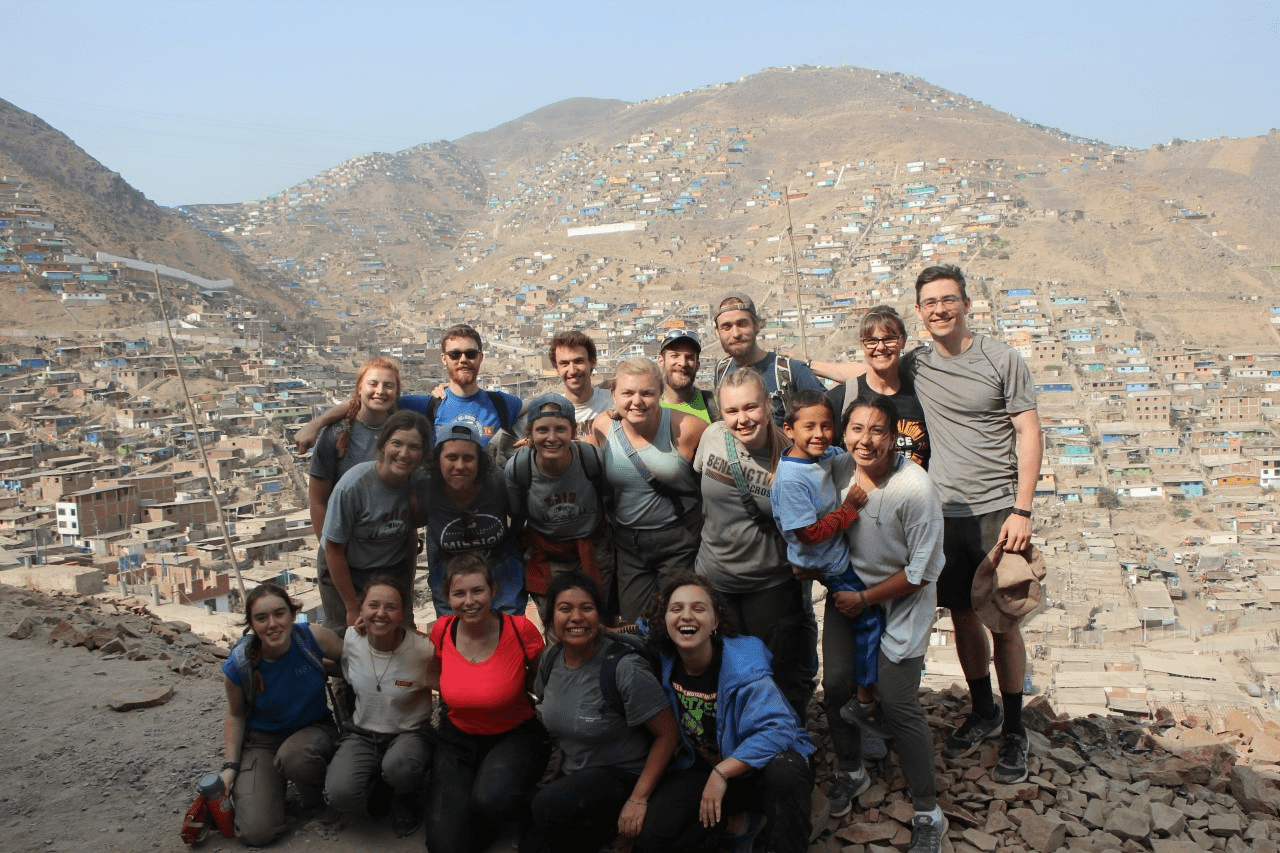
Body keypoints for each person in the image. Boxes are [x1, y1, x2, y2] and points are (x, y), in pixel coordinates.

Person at [809, 266, 1042, 783]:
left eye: (948, 299)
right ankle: (982, 710)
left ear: (964, 303)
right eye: (930, 302)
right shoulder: (919, 362)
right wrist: (807, 364)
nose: (940, 309)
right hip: (942, 512)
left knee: (1002, 620)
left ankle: (1015, 730)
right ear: (919, 311)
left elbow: (1029, 430)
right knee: (961, 615)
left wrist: (1022, 509)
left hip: (995, 508)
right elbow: (870, 365)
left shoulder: (1002, 359)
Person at [823, 395, 948, 853]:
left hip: (899, 603)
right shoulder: (836, 471)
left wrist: (866, 599)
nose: (865, 439)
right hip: (849, 594)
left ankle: (927, 809)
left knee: (898, 703)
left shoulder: (914, 489)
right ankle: (851, 770)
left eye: (877, 430)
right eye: (856, 428)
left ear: (895, 436)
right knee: (836, 686)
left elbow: (920, 572)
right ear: (843, 432)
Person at [638, 574, 815, 853]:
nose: (686, 616)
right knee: (652, 840)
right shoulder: (664, 657)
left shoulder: (744, 667)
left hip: (755, 772)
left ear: (715, 622)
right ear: (664, 621)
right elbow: (635, 629)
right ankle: (741, 825)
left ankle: (783, 837)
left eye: (698, 608)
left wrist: (722, 773)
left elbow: (780, 728)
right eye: (676, 609)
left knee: (786, 771)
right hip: (700, 770)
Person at [522, 571, 679, 853]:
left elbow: (668, 735)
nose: (576, 618)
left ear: (601, 617)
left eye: (587, 608)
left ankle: (617, 835)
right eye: (565, 609)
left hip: (624, 776)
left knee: (548, 807)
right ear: (550, 619)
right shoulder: (552, 658)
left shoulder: (624, 668)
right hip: (575, 775)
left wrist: (638, 799)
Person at [691, 368, 810, 718]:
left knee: (774, 671)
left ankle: (783, 744)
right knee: (723, 670)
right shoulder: (712, 436)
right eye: (732, 411)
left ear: (768, 404)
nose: (742, 419)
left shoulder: (791, 457)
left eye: (750, 408)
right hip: (715, 580)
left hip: (768, 584)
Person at [770, 391, 886, 746]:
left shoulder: (821, 456)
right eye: (809, 427)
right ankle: (865, 701)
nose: (820, 433)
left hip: (832, 557)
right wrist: (849, 508)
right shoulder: (791, 479)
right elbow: (809, 535)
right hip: (828, 564)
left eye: (826, 425)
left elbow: (840, 454)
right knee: (870, 621)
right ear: (789, 429)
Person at [424, 554, 551, 853]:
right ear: (447, 598)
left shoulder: (520, 630)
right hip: (457, 738)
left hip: (515, 733)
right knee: (444, 845)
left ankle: (528, 806)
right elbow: (429, 670)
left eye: (477, 590)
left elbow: (542, 677)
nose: (469, 601)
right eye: (459, 593)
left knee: (491, 800)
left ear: (493, 590)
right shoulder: (442, 631)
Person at [219, 584, 343, 847]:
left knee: (294, 756)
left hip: (314, 730)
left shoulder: (312, 639)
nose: (272, 624)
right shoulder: (239, 666)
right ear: (251, 624)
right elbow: (236, 715)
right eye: (261, 618)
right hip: (262, 742)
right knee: (256, 833)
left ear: (292, 614)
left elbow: (354, 659)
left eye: (279, 614)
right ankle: (268, 794)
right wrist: (230, 768)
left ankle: (314, 804)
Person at [588, 357, 708, 623]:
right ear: (613, 395)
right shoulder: (603, 426)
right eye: (628, 393)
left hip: (680, 540)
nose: (637, 401)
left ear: (661, 393)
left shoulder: (687, 428)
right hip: (630, 545)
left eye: (647, 393)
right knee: (636, 625)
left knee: (679, 619)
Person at [292, 324, 521, 456]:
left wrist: (530, 439)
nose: (463, 359)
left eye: (470, 353)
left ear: (480, 357)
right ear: (444, 359)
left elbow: (544, 408)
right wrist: (315, 425)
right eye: (455, 354)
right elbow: (366, 402)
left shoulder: (502, 403)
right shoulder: (425, 405)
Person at [324, 576, 434, 837]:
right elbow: (312, 641)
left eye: (391, 607)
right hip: (363, 734)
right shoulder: (351, 640)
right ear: (361, 610)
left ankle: (406, 795)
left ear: (404, 612)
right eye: (373, 605)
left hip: (409, 734)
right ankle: (379, 782)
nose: (381, 614)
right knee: (339, 794)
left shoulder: (423, 650)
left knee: (401, 766)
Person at [309, 357, 403, 630]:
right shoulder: (335, 433)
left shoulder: (402, 433)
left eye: (389, 386)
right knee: (346, 632)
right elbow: (317, 500)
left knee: (388, 632)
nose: (380, 391)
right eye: (372, 383)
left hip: (385, 555)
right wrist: (331, 550)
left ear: (397, 392)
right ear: (359, 388)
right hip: (341, 555)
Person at [504, 392, 614, 617]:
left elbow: (610, 499)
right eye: (542, 430)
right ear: (530, 435)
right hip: (547, 552)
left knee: (597, 619)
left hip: (593, 548)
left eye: (560, 429)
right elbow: (515, 516)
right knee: (557, 623)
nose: (551, 438)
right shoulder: (519, 469)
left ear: (573, 432)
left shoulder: (591, 458)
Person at [322, 411, 431, 627]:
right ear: (383, 445)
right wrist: (352, 607)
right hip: (347, 569)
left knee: (400, 634)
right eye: (396, 443)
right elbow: (333, 550)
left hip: (392, 570)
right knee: (349, 637)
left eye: (414, 447)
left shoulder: (420, 483)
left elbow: (411, 536)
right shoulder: (354, 486)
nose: (404, 453)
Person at [426, 417, 526, 616]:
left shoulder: (498, 482)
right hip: (448, 565)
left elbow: (518, 515)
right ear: (438, 459)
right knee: (453, 632)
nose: (460, 466)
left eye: (468, 458)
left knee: (508, 629)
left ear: (480, 461)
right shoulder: (426, 486)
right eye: (451, 458)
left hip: (499, 562)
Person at [822, 305, 930, 466]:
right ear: (862, 344)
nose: (880, 347)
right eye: (871, 341)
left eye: (889, 339)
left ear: (903, 340)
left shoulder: (922, 395)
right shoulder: (841, 399)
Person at [710, 293, 824, 427]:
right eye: (726, 327)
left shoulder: (792, 371)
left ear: (757, 325)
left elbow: (826, 415)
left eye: (742, 324)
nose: (736, 334)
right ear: (717, 332)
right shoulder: (722, 371)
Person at [548, 330, 613, 436]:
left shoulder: (613, 402)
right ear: (556, 368)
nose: (572, 370)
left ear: (592, 362)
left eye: (579, 361)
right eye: (564, 363)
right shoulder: (550, 414)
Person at [658, 328, 719, 423]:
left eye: (689, 357)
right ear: (661, 360)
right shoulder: (652, 409)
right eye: (675, 356)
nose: (683, 363)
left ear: (697, 365)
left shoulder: (717, 406)